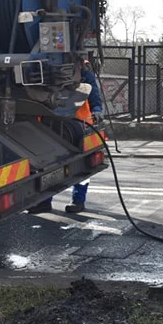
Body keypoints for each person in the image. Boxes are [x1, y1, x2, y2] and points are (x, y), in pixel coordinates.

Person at [27, 59, 103, 215]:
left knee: (81, 164)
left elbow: (93, 89)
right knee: (50, 165)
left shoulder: (82, 66)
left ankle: (78, 200)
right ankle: (45, 201)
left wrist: (97, 109)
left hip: (79, 123)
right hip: (52, 123)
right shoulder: (41, 64)